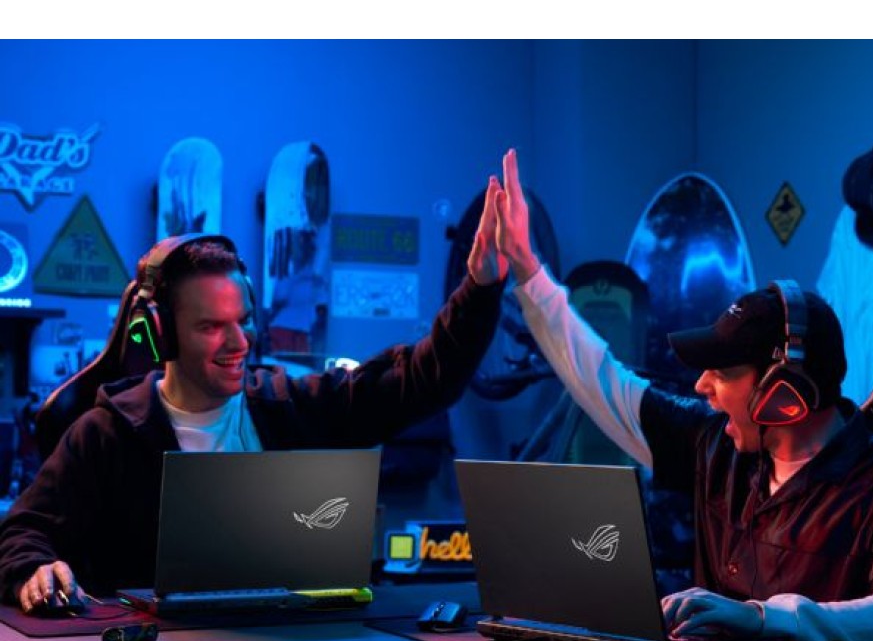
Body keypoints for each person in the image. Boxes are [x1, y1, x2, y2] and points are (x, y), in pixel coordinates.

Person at [490, 148, 873, 641]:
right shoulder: (714, 443)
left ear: (785, 393)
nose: (701, 385)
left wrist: (765, 617)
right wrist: (527, 271)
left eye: (723, 373)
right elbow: (603, 381)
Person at [0, 175, 509, 614]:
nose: (239, 342)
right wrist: (34, 570)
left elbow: (422, 379)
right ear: (160, 334)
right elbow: (21, 535)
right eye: (211, 327)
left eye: (243, 321)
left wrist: (481, 285)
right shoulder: (106, 434)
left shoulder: (289, 408)